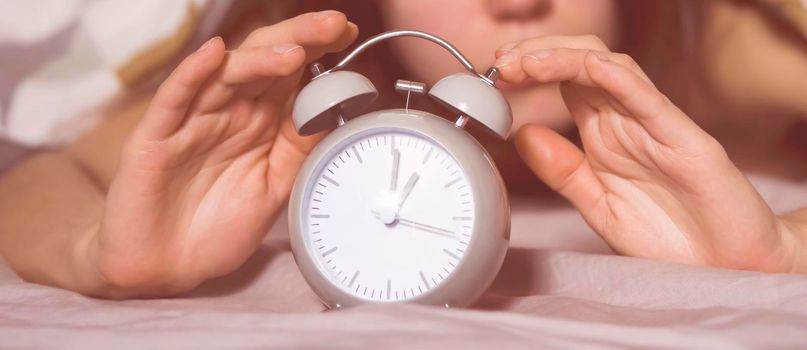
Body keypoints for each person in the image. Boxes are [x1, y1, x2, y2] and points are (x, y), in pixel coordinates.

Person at [0, 0, 805, 299]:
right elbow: (46, 173)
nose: (518, 3)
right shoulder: (282, 70)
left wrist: (782, 248)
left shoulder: (717, 49)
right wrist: (94, 250)